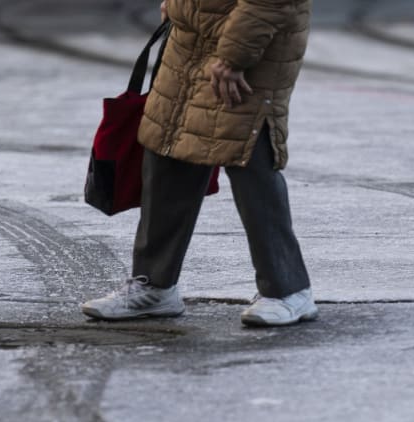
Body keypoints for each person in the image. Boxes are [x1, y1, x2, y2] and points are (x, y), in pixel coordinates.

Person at [81, 0, 317, 326]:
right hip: (190, 40)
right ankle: (154, 287)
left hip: (250, 48)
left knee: (249, 160)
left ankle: (288, 290)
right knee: (168, 150)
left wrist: (234, 57)